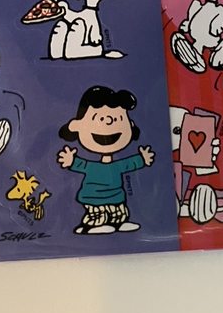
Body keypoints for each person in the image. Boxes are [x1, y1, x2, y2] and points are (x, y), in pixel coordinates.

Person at [57, 85, 154, 235]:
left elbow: (128, 164)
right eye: (99, 118)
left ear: (130, 125)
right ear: (76, 126)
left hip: (116, 196)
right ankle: (92, 226)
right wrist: (70, 160)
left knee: (119, 212)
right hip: (93, 197)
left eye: (118, 119)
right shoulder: (91, 166)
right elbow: (80, 165)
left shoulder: (117, 165)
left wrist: (142, 159)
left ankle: (119, 223)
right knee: (97, 213)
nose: (108, 122)